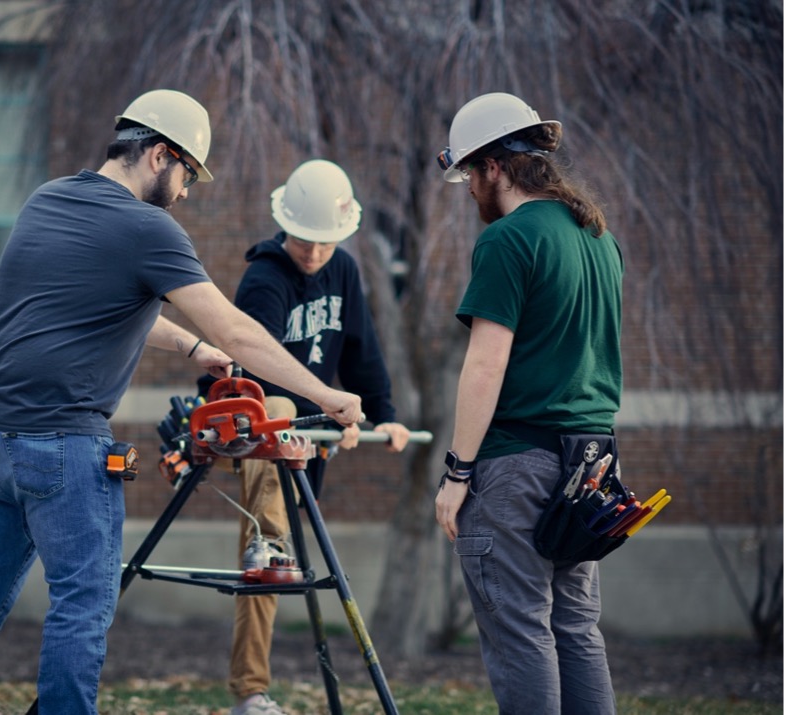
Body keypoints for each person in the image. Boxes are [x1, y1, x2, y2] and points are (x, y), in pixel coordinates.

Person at [0, 89, 364, 715]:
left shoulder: (48, 200)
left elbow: (92, 303)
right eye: (187, 174)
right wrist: (325, 394)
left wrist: (190, 348)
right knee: (81, 604)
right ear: (160, 155)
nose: (185, 192)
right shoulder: (148, 227)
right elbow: (236, 330)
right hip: (62, 442)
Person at [433, 92, 624, 714]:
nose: (468, 189)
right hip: (591, 466)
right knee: (576, 630)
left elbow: (485, 365)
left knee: (520, 630)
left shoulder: (508, 240)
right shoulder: (599, 239)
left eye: (469, 173)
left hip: (519, 465)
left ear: (494, 166)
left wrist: (457, 473)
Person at [200, 159, 411, 715]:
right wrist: (328, 413)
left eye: (325, 241)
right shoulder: (265, 278)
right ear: (283, 225)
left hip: (302, 433)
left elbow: (362, 350)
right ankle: (251, 691)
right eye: (303, 240)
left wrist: (383, 414)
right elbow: (257, 372)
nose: (314, 253)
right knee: (269, 535)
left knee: (272, 549)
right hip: (246, 421)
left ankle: (251, 687)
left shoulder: (343, 271)